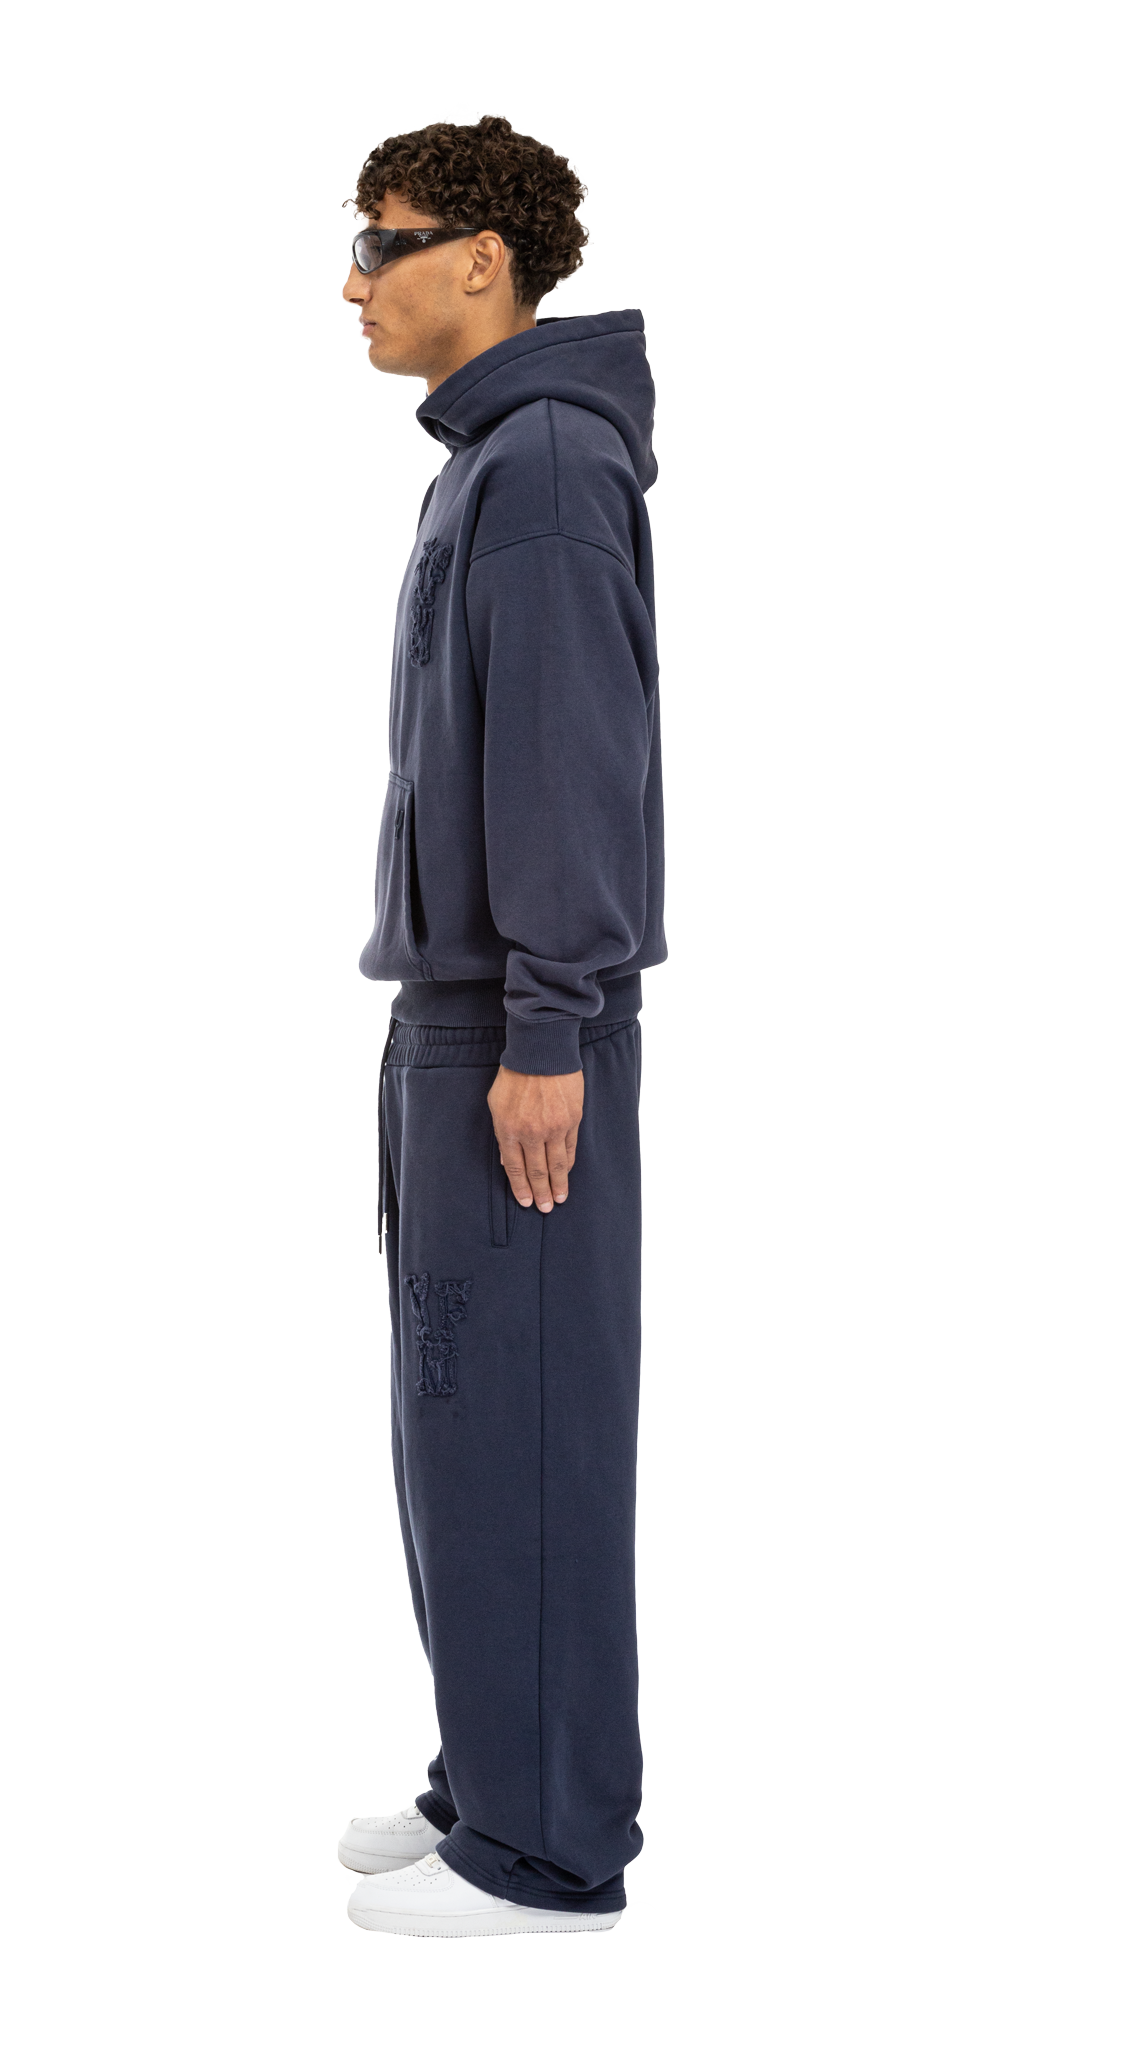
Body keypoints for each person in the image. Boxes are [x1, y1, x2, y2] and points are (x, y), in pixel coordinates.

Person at [338, 114, 665, 1939]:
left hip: (520, 1033)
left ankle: (547, 1858)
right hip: (462, 1022)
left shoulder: (541, 466)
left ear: (484, 261)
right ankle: (490, 1786)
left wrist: (548, 1024)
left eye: (380, 243)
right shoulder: (491, 462)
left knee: (523, 1429)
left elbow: (568, 765)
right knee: (462, 1428)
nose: (354, 284)